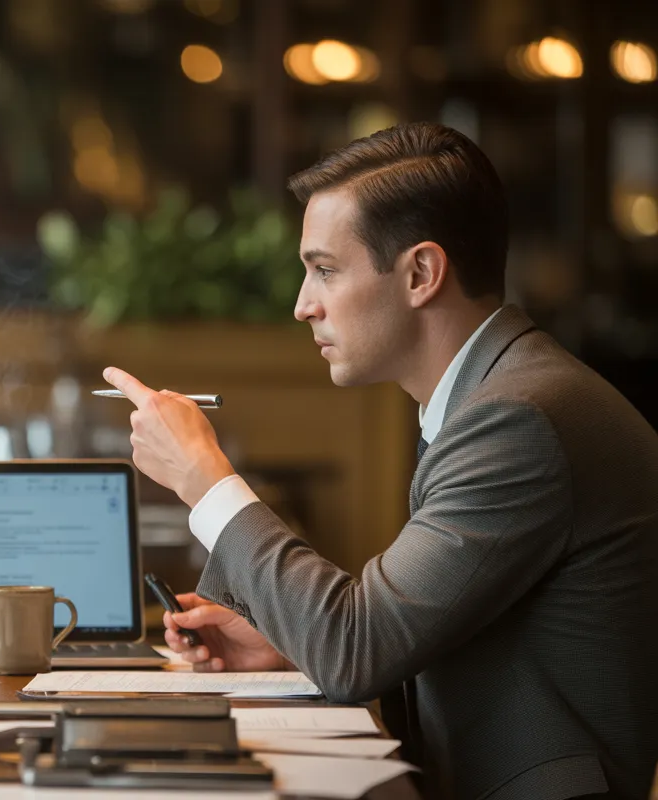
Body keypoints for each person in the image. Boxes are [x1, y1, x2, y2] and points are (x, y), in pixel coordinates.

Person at [105, 123, 658, 800]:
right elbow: (410, 629)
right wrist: (291, 639)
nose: (302, 304)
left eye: (325, 269)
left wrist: (205, 478)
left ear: (422, 273)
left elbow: (356, 645)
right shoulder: (494, 395)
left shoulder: (519, 420)